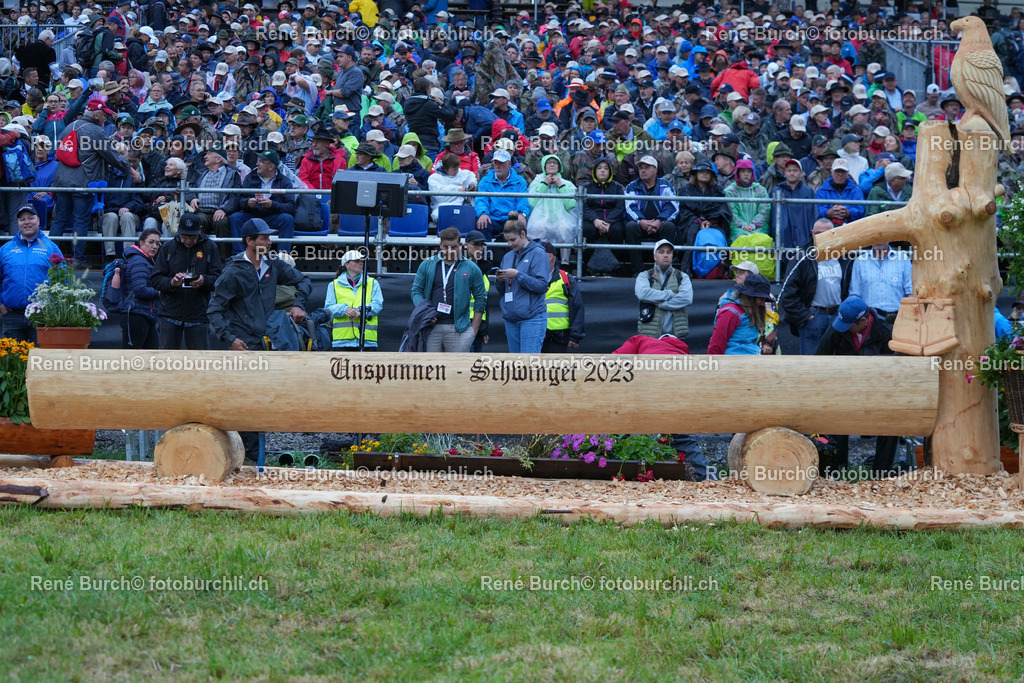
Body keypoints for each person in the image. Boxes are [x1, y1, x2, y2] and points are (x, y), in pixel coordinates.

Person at [207, 217, 311, 462]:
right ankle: (249, 455)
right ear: (250, 241)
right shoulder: (233, 271)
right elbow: (214, 309)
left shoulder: (273, 265)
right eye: (264, 237)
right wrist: (229, 338)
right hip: (243, 345)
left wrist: (298, 304)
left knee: (260, 397)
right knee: (244, 398)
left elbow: (303, 280)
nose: (269, 241)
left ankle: (255, 455)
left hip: (267, 342)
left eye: (269, 237)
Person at [816, 295, 901, 476]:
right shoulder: (837, 328)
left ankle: (882, 472)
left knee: (892, 423)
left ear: (863, 321)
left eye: (850, 325)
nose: (845, 328)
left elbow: (896, 368)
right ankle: (838, 470)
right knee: (836, 422)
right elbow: (819, 358)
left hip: (878, 391)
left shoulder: (885, 332)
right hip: (844, 389)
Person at [50, 100, 139, 264]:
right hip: (83, 183)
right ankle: (78, 258)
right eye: (104, 115)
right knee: (81, 220)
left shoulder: (70, 126)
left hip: (62, 182)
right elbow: (112, 155)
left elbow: (59, 152)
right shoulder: (96, 131)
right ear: (97, 115)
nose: (106, 118)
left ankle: (50, 257)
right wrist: (131, 170)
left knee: (60, 219)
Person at [780, 218, 855, 355]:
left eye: (828, 233)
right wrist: (806, 316)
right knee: (811, 365)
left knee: (836, 365)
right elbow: (787, 294)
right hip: (814, 317)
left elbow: (850, 288)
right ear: (812, 234)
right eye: (819, 233)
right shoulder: (801, 258)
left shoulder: (844, 257)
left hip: (837, 317)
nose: (823, 237)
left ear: (834, 233)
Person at [149, 213, 223, 350]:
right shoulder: (167, 248)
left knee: (199, 363)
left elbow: (219, 280)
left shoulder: (210, 248)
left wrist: (203, 280)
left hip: (198, 314)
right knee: (166, 362)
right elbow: (155, 279)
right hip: (169, 313)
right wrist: (172, 282)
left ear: (200, 230)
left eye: (192, 237)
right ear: (178, 231)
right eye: (184, 236)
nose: (188, 241)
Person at [410, 227, 487, 353]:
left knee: (457, 370)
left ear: (461, 245)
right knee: (432, 369)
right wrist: (425, 313)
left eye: (454, 247)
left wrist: (474, 330)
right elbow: (416, 291)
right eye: (446, 247)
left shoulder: (472, 268)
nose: (450, 251)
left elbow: (481, 298)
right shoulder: (427, 264)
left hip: (460, 329)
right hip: (431, 327)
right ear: (440, 245)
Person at [0, 204, 61, 342]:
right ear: (18, 223)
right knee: (13, 360)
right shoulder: (5, 249)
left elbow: (63, 280)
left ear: (38, 220)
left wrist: (54, 307)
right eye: (22, 219)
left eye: (31, 218)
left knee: (40, 360)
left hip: (42, 315)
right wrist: (0, 304)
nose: (26, 222)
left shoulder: (51, 247)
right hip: (12, 315)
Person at [495, 218, 550, 353]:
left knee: (528, 366)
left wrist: (518, 275)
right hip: (511, 318)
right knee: (516, 367)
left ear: (523, 234)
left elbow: (542, 286)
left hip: (532, 318)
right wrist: (500, 281)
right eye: (507, 240)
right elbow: (503, 292)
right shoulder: (507, 257)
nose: (509, 244)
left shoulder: (538, 253)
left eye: (513, 240)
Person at [229, 150, 296, 254]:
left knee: (287, 219)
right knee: (235, 217)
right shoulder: (250, 177)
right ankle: (239, 255)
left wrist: (272, 204)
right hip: (252, 216)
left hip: (273, 216)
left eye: (261, 161)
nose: (257, 164)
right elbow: (240, 200)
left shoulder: (284, 181)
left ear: (271, 166)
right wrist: (247, 203)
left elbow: (291, 207)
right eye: (258, 161)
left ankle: (283, 257)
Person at [624, 155, 679, 273]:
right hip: (641, 224)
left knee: (669, 226)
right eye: (641, 168)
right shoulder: (631, 186)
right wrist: (641, 221)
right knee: (631, 226)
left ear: (656, 170)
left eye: (647, 167)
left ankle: (664, 269)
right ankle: (637, 270)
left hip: (661, 223)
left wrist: (659, 221)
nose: (643, 170)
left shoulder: (666, 185)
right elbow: (630, 207)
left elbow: (673, 206)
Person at [635, 238, 692, 340]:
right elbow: (642, 293)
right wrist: (670, 294)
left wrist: (661, 304)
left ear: (672, 255)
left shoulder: (682, 276)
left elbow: (687, 298)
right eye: (661, 252)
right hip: (650, 336)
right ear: (654, 256)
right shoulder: (644, 276)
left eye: (669, 252)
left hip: (676, 336)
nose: (665, 255)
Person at [325, 249, 383, 350]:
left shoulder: (373, 283)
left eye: (361, 260)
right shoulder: (333, 285)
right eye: (356, 261)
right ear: (347, 265)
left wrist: (361, 311)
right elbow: (328, 309)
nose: (361, 263)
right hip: (342, 341)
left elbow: (378, 305)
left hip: (368, 341)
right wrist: (344, 310)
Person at [526, 154, 577, 263]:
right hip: (540, 218)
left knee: (565, 228)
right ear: (544, 166)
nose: (552, 164)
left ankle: (565, 263)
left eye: (555, 162)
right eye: (549, 162)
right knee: (537, 227)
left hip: (563, 219)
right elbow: (532, 202)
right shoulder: (537, 182)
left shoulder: (567, 184)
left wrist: (560, 185)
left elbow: (571, 204)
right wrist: (544, 184)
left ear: (560, 166)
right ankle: (539, 261)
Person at [849, 241, 913, 323]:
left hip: (897, 320)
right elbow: (855, 295)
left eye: (882, 235)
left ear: (889, 237)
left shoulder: (903, 260)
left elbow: (910, 293)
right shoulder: (859, 262)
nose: (878, 240)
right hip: (869, 322)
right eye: (875, 236)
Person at [708, 273, 771, 354]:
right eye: (761, 298)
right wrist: (713, 365)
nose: (763, 303)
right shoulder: (731, 312)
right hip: (732, 363)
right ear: (751, 296)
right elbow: (716, 344)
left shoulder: (746, 312)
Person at [120, 228, 162, 350]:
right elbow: (140, 290)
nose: (154, 246)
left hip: (144, 315)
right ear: (141, 242)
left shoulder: (144, 260)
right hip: (136, 315)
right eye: (151, 242)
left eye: (157, 243)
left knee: (151, 359)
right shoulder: (139, 261)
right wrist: (161, 292)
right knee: (130, 360)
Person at [475, 149, 529, 241]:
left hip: (513, 219)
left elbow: (523, 201)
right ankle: (487, 255)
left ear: (509, 164)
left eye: (501, 163)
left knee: (519, 226)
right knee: (482, 224)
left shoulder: (520, 181)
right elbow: (481, 200)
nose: (497, 166)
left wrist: (522, 214)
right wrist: (483, 213)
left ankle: (517, 255)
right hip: (492, 219)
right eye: (495, 163)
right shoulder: (485, 181)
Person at [540, 241, 585, 353]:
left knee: (555, 370)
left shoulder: (566, 279)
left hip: (558, 337)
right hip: (534, 334)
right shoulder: (529, 277)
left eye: (537, 255)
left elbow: (577, 307)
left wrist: (575, 336)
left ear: (550, 257)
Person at [427, 152, 477, 222]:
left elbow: (473, 181)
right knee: (438, 215)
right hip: (441, 207)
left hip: (463, 206)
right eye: (454, 169)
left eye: (457, 168)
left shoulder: (464, 174)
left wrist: (473, 186)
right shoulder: (434, 178)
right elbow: (440, 196)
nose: (457, 171)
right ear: (445, 168)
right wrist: (458, 190)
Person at [464, 230, 491, 352]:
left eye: (481, 245)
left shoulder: (485, 268)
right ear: (466, 245)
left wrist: (484, 329)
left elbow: (485, 301)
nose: (479, 248)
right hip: (460, 323)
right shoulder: (456, 266)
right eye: (476, 244)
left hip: (479, 325)